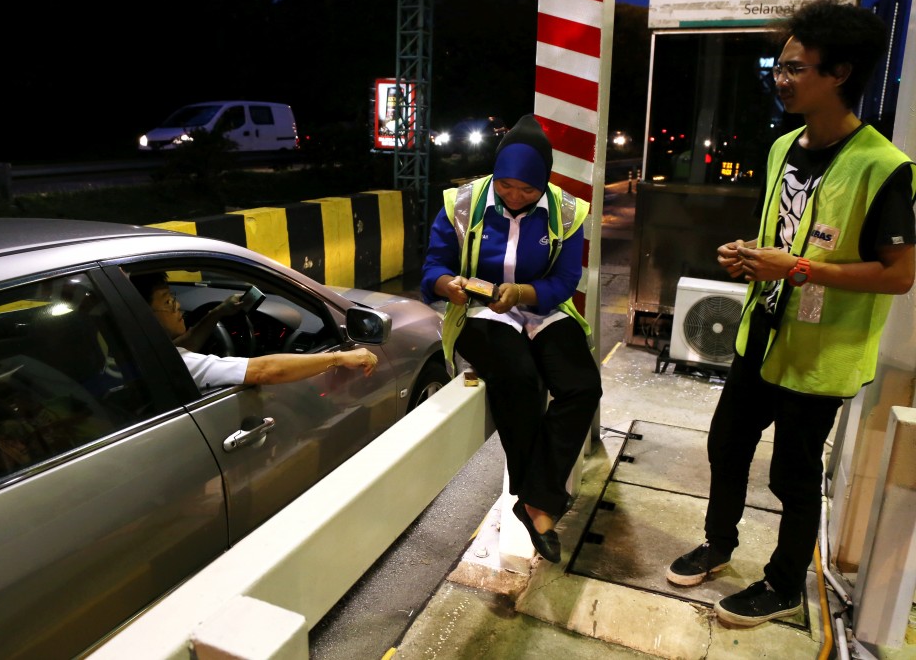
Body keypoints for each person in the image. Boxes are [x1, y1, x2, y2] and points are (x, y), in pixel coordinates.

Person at [666, 0, 915, 627]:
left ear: (839, 74)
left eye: (796, 68)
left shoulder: (885, 167)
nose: (781, 78)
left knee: (794, 476)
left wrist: (797, 269)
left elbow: (900, 275)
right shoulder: (782, 148)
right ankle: (718, 546)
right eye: (779, 67)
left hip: (820, 356)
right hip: (762, 334)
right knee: (726, 445)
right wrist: (749, 256)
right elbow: (787, 234)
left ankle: (781, 585)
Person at [421, 114, 602, 563]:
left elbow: (565, 280)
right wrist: (449, 285)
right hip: (481, 311)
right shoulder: (461, 204)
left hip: (540, 305)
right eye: (505, 186)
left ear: (544, 184)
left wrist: (524, 293)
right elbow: (432, 269)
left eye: (527, 190)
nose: (515, 197)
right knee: (519, 378)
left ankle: (535, 496)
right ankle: (537, 501)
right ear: (494, 175)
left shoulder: (567, 211)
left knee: (582, 387)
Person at [130, 272, 378, 388]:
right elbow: (264, 371)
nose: (178, 305)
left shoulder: (139, 351)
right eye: (167, 302)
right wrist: (338, 357)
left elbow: (181, 347)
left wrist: (216, 314)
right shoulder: (182, 365)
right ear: (143, 317)